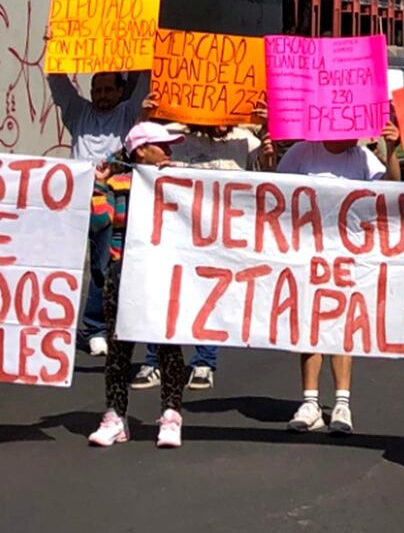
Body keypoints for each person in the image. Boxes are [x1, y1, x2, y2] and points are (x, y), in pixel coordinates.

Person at [133, 101, 278, 391]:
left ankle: (204, 362)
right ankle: (154, 360)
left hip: (219, 235)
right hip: (176, 230)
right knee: (165, 294)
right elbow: (140, 154)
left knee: (211, 296)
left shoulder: (246, 141)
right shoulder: (173, 134)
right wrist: (143, 117)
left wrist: (268, 136)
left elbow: (267, 177)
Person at [276, 123, 401, 434]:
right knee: (310, 323)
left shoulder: (361, 157)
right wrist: (267, 155)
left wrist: (392, 151)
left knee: (342, 324)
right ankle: (310, 402)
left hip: (347, 254)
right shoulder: (302, 152)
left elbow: (391, 189)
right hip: (308, 252)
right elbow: (275, 192)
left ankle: (342, 403)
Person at [88, 122, 189, 448]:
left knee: (168, 345)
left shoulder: (178, 181)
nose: (169, 151)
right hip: (123, 273)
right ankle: (116, 416)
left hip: (163, 271)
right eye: (163, 145)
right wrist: (98, 186)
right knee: (119, 349)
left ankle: (171, 415)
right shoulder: (117, 184)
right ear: (141, 150)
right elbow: (99, 223)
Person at [48, 70, 150, 358]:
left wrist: (147, 49)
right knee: (61, 265)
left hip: (111, 200)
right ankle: (55, 324)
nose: (102, 96)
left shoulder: (128, 113)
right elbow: (57, 80)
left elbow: (146, 78)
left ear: (120, 92)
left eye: (108, 90)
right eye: (97, 90)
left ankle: (95, 328)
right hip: (75, 199)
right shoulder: (78, 111)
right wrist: (54, 50)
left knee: (103, 264)